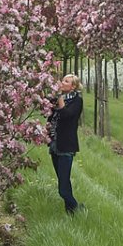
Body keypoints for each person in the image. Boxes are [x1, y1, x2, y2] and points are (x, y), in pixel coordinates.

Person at [47, 74, 84, 214]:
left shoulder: (77, 101)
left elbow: (67, 115)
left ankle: (77, 208)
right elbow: (51, 114)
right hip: (55, 144)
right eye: (62, 80)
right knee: (63, 180)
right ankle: (70, 212)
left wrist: (60, 98)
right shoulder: (56, 99)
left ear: (73, 86)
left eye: (66, 81)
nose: (62, 83)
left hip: (66, 146)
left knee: (62, 188)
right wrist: (48, 124)